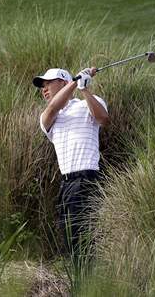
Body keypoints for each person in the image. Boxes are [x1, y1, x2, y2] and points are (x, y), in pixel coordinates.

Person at [32, 67, 109, 263]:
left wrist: (84, 88)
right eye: (43, 85)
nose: (44, 89)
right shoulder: (49, 117)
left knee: (85, 241)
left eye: (49, 83)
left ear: (63, 83)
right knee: (71, 241)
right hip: (66, 185)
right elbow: (52, 109)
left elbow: (103, 119)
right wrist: (76, 82)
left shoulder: (88, 104)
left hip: (88, 180)